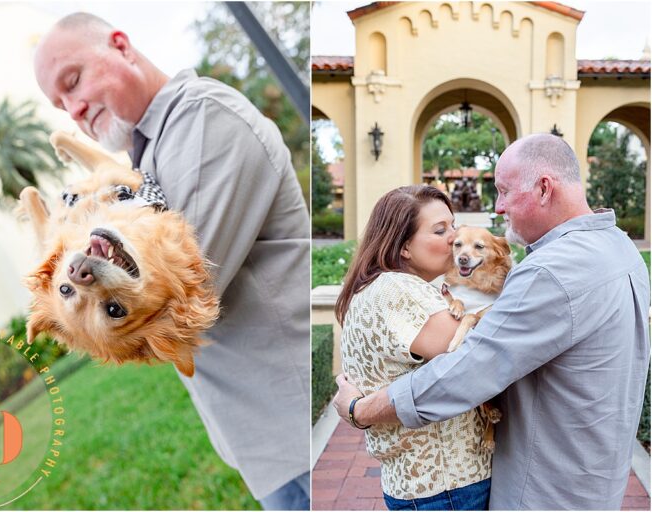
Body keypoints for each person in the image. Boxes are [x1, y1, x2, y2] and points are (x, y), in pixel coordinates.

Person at [34, 13, 311, 509]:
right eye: (61, 106)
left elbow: (175, 283)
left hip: (294, 427)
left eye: (72, 81)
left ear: (122, 46)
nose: (73, 109)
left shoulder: (203, 116)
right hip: (262, 435)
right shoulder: (151, 151)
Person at [332, 134, 650, 510]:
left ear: (544, 188)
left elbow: (466, 370)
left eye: (503, 191)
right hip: (597, 481)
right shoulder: (621, 248)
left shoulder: (550, 271)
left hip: (544, 491)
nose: (497, 207)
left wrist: (361, 410)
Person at [334, 185, 491, 510]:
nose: (454, 236)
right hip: (448, 487)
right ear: (404, 247)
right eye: (440, 230)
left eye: (453, 224)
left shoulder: (374, 289)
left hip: (417, 483)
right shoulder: (397, 289)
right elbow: (483, 355)